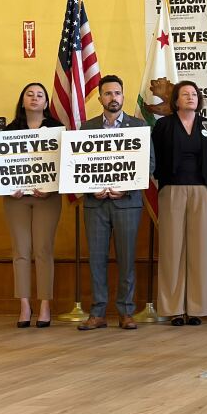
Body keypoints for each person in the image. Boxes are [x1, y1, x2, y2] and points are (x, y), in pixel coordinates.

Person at [77, 75, 150, 331]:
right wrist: (90, 187)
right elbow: (76, 165)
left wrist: (125, 187)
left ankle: (126, 312)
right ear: (100, 98)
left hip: (127, 202)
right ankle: (97, 313)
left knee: (127, 259)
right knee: (96, 259)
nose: (113, 98)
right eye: (108, 94)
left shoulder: (139, 127)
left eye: (117, 93)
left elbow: (148, 163)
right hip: (95, 203)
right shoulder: (85, 128)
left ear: (123, 95)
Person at [152, 80, 207, 327]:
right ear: (175, 100)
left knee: (199, 250)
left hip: (202, 190)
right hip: (171, 190)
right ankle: (174, 308)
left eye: (194, 94)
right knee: (172, 249)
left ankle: (196, 307)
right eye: (185, 94)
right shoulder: (163, 125)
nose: (191, 97)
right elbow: (153, 157)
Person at [3, 82, 64, 329]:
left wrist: (51, 186)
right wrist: (8, 186)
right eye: (29, 94)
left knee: (43, 250)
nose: (35, 98)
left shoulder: (59, 130)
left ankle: (45, 305)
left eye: (40, 95)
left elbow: (66, 165)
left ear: (46, 102)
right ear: (22, 100)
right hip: (15, 198)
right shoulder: (8, 131)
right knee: (21, 251)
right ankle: (25, 305)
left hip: (47, 197)